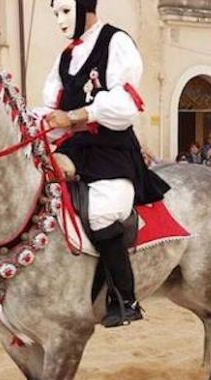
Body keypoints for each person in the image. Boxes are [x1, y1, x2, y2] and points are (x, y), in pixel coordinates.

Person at [43, 0, 169, 327]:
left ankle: (126, 299)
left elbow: (125, 104)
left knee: (100, 215)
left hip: (111, 149)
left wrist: (74, 116)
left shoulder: (116, 41)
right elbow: (50, 108)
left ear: (85, 6)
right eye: (55, 13)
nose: (59, 21)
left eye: (65, 11)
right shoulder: (64, 58)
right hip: (73, 146)